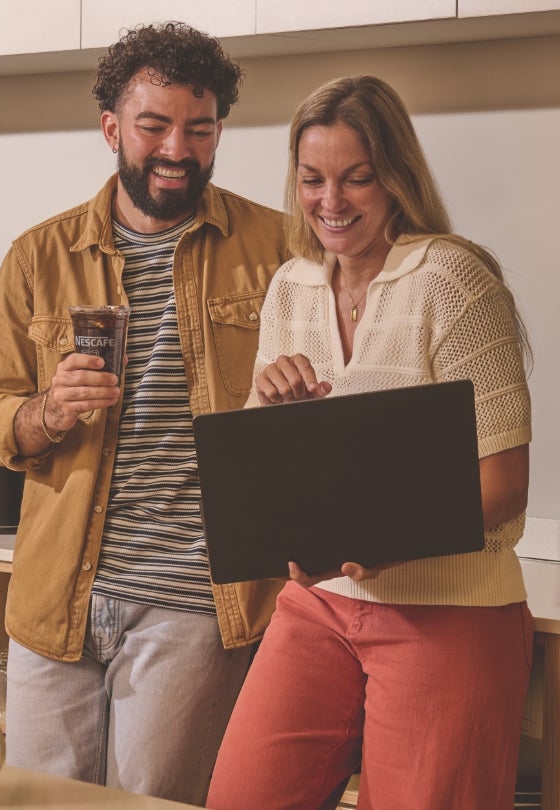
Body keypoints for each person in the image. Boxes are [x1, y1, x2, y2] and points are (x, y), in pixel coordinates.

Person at [0, 22, 288, 805]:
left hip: (195, 604)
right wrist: (47, 410)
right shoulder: (38, 256)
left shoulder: (275, 247)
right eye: (154, 126)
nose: (177, 148)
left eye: (200, 129)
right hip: (55, 602)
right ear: (112, 128)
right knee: (37, 804)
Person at [206, 75, 533, 810]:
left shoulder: (452, 282)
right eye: (313, 179)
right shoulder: (290, 286)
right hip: (317, 602)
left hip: (449, 610)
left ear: (396, 177)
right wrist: (273, 405)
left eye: (358, 178)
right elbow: (262, 477)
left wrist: (393, 540)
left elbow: (507, 483)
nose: (332, 201)